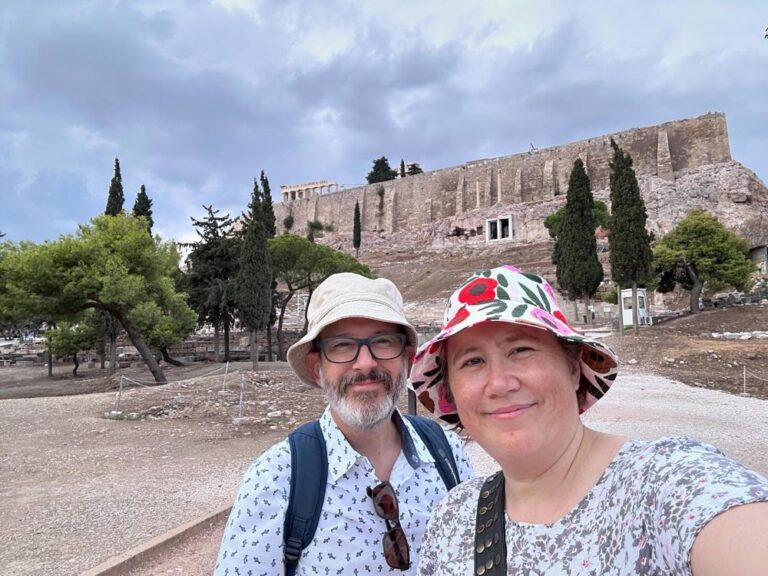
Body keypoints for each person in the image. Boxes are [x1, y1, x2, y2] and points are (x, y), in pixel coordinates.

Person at [409, 265, 768, 575]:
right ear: (451, 391)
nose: (500, 383)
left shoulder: (666, 482)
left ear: (573, 368)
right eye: (472, 362)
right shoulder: (453, 518)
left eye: (521, 350)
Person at [214, 272, 474, 576]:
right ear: (317, 369)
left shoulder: (448, 453)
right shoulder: (275, 479)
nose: (365, 363)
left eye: (383, 341)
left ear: (406, 358)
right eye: (341, 346)